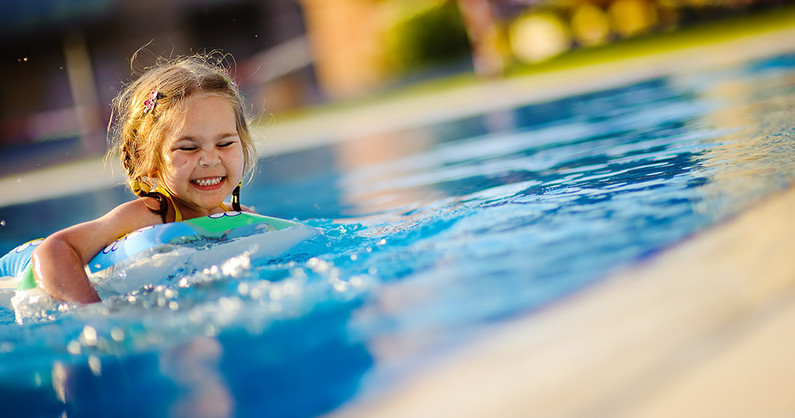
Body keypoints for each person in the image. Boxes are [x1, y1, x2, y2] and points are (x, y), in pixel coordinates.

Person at [29, 54, 258, 304]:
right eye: (188, 148)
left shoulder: (240, 216)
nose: (210, 159)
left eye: (225, 143)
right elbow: (54, 250)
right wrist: (95, 313)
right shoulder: (146, 216)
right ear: (147, 159)